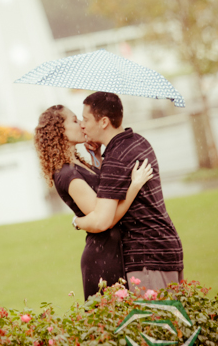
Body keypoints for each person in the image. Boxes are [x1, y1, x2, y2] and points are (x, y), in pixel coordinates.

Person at [34, 105, 153, 300]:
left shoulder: (80, 164)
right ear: (59, 130)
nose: (82, 125)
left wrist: (97, 158)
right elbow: (105, 219)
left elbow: (102, 191)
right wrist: (135, 186)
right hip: (104, 259)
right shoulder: (67, 174)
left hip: (116, 251)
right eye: (74, 120)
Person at [75, 92, 184, 292]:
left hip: (148, 257)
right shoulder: (136, 141)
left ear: (104, 121)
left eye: (85, 119)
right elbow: (115, 185)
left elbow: (103, 221)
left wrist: (78, 222)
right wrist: (98, 160)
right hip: (165, 246)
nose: (82, 125)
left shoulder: (116, 157)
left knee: (155, 322)